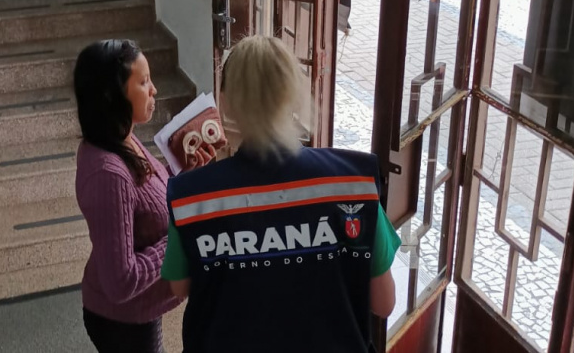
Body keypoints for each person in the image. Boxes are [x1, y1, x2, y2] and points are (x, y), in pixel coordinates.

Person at [161, 35, 400, 352]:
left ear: (227, 101)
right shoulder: (354, 186)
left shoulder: (193, 198)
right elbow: (384, 303)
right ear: (293, 94)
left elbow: (180, 286)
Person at [73, 39, 187, 353]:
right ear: (113, 95)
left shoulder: (121, 138)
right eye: (143, 81)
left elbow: (145, 193)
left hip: (141, 311)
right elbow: (121, 282)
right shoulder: (108, 173)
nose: (154, 90)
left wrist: (182, 166)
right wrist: (180, 235)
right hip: (122, 322)